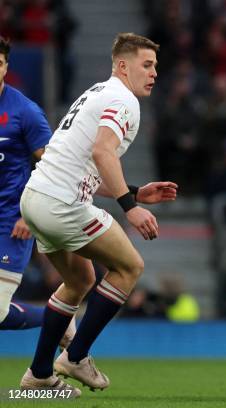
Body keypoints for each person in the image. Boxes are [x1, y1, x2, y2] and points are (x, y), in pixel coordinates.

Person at [18, 33, 178, 395]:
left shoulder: (96, 92)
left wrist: (136, 190)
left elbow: (85, 164)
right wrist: (130, 208)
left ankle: (39, 375)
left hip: (35, 198)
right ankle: (75, 357)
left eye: (155, 66)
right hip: (62, 202)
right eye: (147, 64)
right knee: (130, 266)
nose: (154, 73)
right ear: (123, 65)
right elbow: (104, 152)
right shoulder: (124, 101)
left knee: (79, 281)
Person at [0, 36, 75, 344]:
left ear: (5, 68)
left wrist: (26, 213)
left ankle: (57, 320)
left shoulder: (25, 112)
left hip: (9, 222)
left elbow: (54, 165)